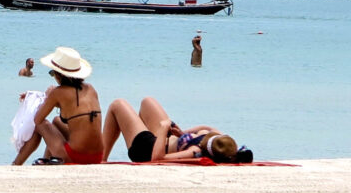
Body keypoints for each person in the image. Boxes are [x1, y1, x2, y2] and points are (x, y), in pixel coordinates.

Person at [13, 47, 103, 165]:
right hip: (97, 156)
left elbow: (37, 119)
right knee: (56, 121)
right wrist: (47, 97)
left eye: (52, 73)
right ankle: (46, 160)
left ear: (59, 75)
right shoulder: (91, 89)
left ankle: (16, 163)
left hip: (76, 157)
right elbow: (73, 109)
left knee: (39, 125)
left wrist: (48, 97)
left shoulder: (58, 93)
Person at [101, 96, 239, 163]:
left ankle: (102, 159)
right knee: (147, 101)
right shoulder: (220, 142)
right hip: (165, 139)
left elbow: (158, 158)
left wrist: (163, 128)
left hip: (148, 149)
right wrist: (183, 133)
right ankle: (135, 129)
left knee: (117, 105)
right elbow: (206, 127)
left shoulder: (195, 151)